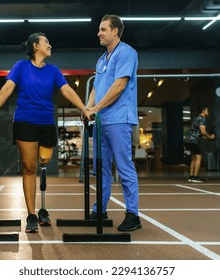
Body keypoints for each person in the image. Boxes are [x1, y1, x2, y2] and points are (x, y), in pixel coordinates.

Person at [0, 32, 91, 233]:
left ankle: (41, 208)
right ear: (35, 46)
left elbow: (66, 90)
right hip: (25, 121)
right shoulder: (21, 67)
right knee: (29, 167)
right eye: (46, 42)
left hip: (46, 123)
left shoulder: (53, 70)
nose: (50, 45)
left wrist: (84, 109)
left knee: (43, 163)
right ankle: (33, 214)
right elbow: (7, 88)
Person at [86, 14, 141, 231]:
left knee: (124, 166)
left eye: (103, 29)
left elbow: (119, 86)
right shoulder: (101, 60)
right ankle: (100, 209)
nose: (99, 33)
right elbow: (96, 88)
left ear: (115, 31)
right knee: (101, 169)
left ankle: (133, 215)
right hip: (101, 121)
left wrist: (96, 108)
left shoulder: (126, 53)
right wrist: (87, 109)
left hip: (118, 119)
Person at [184, 104, 215, 183]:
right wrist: (210, 137)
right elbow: (203, 132)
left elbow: (198, 133)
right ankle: (195, 177)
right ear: (203, 111)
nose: (208, 112)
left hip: (188, 140)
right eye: (207, 110)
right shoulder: (202, 118)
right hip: (193, 141)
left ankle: (191, 176)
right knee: (199, 157)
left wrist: (207, 137)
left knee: (194, 158)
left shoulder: (196, 118)